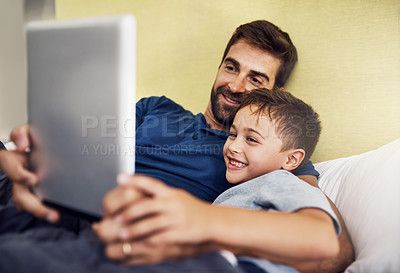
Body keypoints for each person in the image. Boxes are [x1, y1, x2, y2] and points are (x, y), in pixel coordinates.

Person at [0, 20, 354, 272]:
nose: (235, 85)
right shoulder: (155, 108)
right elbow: (80, 146)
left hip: (110, 235)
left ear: (272, 92)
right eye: (231, 67)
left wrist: (202, 224)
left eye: (255, 79)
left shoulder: (265, 156)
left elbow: (331, 251)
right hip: (52, 200)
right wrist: (37, 150)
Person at [94, 88, 341, 273]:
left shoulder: (282, 180)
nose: (233, 146)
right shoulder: (238, 189)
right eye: (232, 134)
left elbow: (324, 237)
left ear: (291, 160)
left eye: (252, 140)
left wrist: (198, 220)